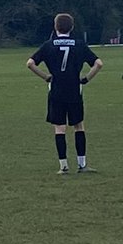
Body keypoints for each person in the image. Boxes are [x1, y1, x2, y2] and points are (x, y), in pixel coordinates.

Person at [26, 13, 104, 174]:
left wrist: (46, 77)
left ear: (55, 27)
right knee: (78, 126)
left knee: (59, 128)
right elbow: (98, 63)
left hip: (56, 90)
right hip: (75, 89)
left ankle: (63, 166)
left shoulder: (48, 45)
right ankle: (82, 164)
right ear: (72, 27)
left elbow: (30, 63)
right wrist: (86, 79)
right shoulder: (79, 44)